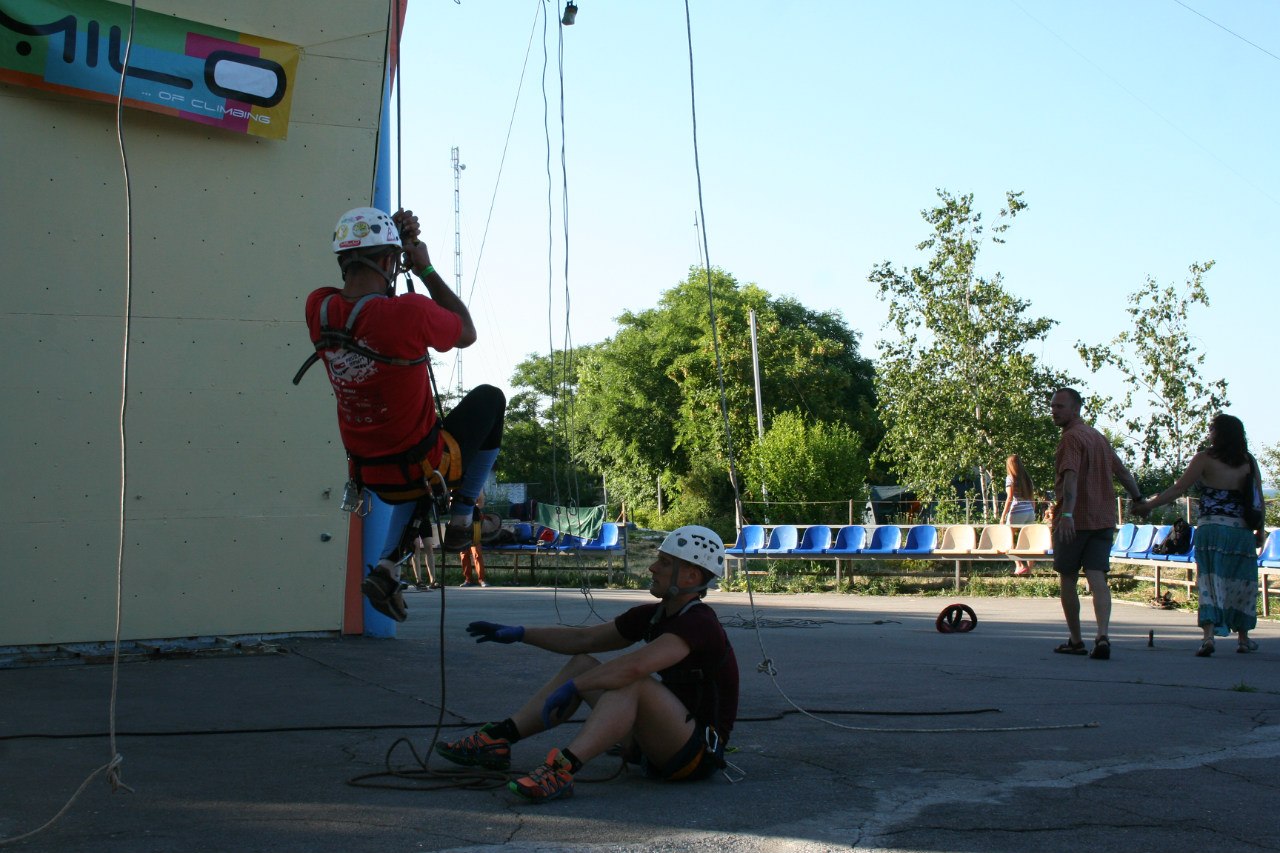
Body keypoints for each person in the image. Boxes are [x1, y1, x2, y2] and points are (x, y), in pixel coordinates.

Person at [435, 525, 739, 802]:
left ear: (691, 577)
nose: (653, 567)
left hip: (695, 755)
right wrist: (520, 633)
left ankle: (562, 769)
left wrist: (575, 688)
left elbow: (634, 667)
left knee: (632, 681)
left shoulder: (700, 623)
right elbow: (584, 640)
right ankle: (499, 738)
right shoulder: (654, 616)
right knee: (583, 663)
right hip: (658, 743)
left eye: (665, 563)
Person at [303, 206, 506, 621]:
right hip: (418, 463)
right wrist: (425, 268)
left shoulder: (318, 308)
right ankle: (463, 516)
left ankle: (386, 566)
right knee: (490, 399)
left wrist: (390, 244)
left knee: (420, 464)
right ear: (387, 262)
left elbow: (372, 310)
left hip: (368, 469)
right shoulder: (410, 311)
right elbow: (466, 331)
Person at [1134, 414, 1265, 656]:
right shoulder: (1248, 460)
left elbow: (1178, 488)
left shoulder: (1204, 459)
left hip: (1212, 530)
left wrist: (1148, 506)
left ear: (1219, 433)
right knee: (1242, 582)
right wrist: (1261, 531)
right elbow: (1257, 497)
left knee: (1208, 581)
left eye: (1212, 429)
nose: (1209, 433)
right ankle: (1244, 639)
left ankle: (1208, 638)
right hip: (1241, 532)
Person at [1048, 388, 1143, 660]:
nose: (1054, 411)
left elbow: (1071, 477)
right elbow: (1122, 471)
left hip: (1075, 521)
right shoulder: (1098, 438)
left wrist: (1066, 515)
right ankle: (1102, 634)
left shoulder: (1071, 439)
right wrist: (1137, 498)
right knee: (1097, 577)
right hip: (1102, 519)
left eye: (1060, 407)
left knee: (1067, 577)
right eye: (1053, 406)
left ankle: (1076, 640)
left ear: (1076, 409)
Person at [999, 454, 1037, 576]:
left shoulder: (1010, 478)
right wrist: (1033, 511)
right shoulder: (1027, 479)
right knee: (1030, 541)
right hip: (1029, 511)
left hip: (1017, 511)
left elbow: (1009, 497)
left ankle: (1019, 565)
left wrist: (1003, 515)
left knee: (1008, 539)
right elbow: (1032, 498)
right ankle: (1029, 569)